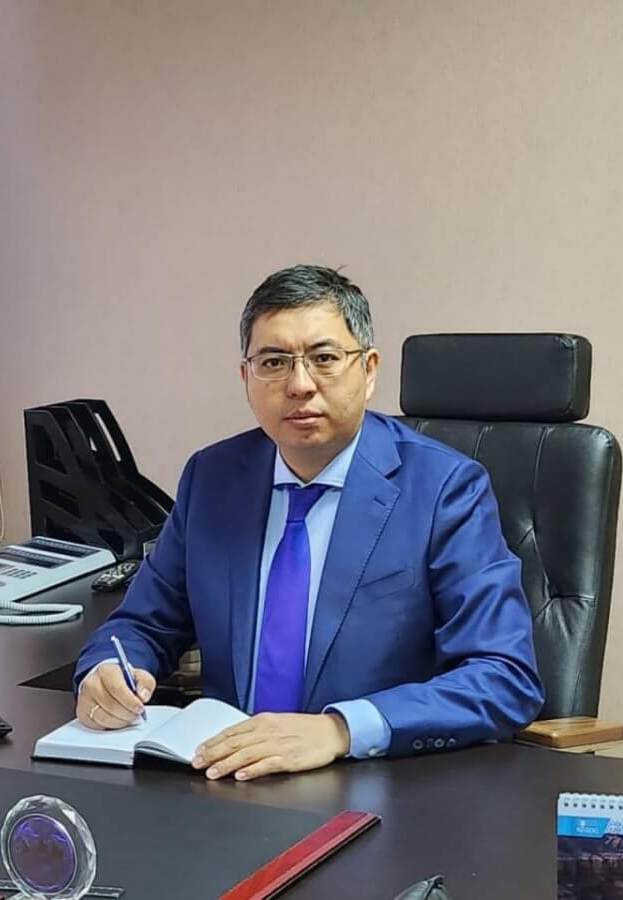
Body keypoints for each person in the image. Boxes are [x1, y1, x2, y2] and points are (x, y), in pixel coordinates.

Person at [75, 264, 544, 781]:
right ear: (246, 378)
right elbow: (142, 623)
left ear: (368, 370)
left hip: (374, 784)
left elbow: (503, 677)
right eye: (274, 362)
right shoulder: (213, 478)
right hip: (226, 781)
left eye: (324, 359)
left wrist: (340, 730)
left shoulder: (444, 489)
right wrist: (108, 671)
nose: (299, 385)